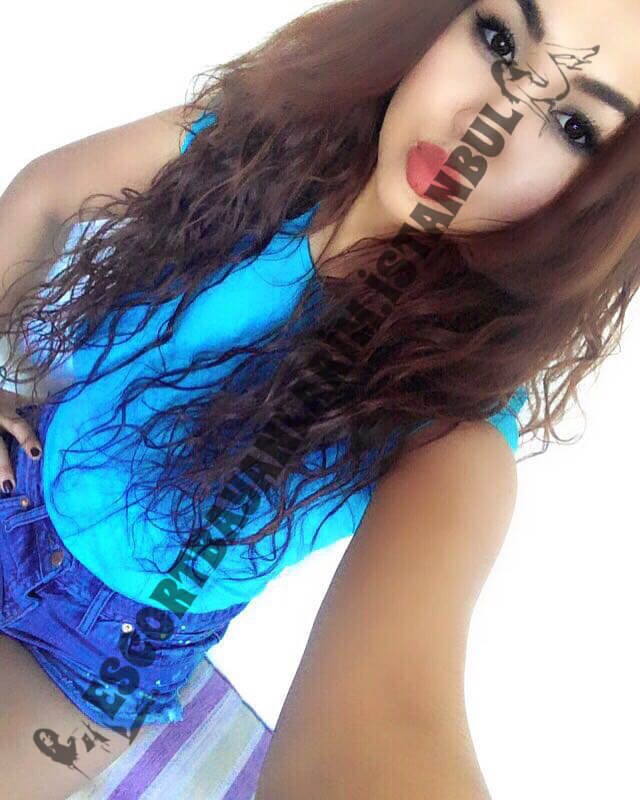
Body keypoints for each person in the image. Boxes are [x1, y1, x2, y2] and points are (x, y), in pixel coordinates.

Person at [0, 0, 638, 797]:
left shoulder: (451, 422)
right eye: (498, 38)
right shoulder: (247, 149)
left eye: (573, 126)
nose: (484, 125)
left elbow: (393, 719)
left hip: (94, 660)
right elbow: (46, 193)